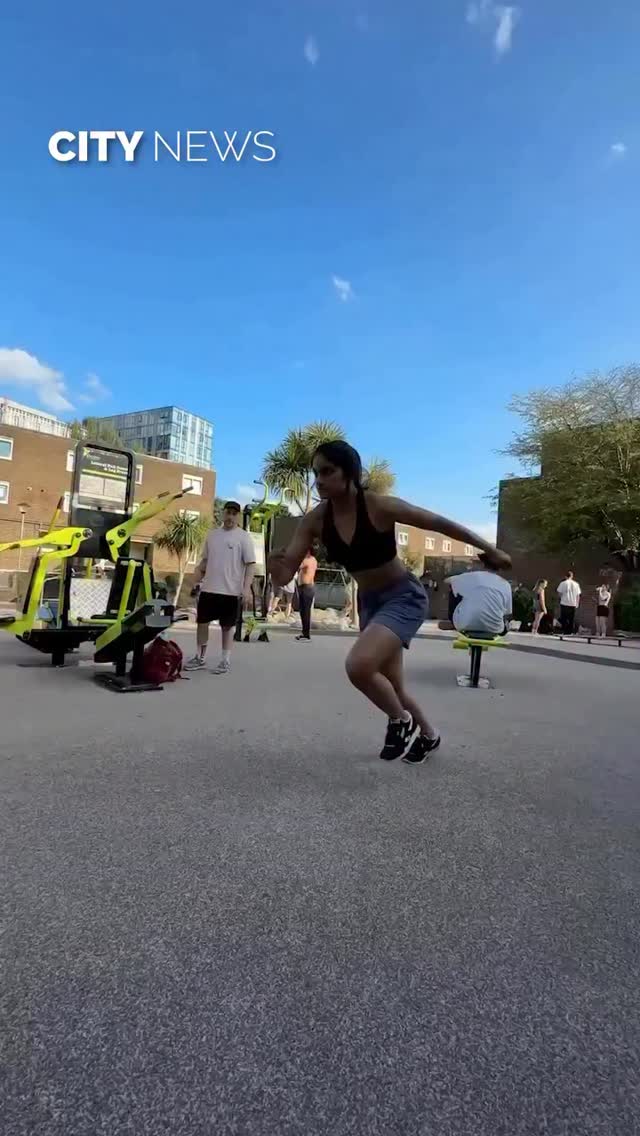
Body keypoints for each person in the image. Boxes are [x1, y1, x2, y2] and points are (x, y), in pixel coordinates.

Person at [268, 441, 511, 764]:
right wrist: (273, 564)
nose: (319, 480)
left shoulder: (379, 507)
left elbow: (440, 523)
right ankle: (429, 735)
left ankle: (401, 721)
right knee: (393, 686)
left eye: (327, 471)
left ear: (350, 472)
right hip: (371, 602)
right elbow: (284, 577)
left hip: (402, 596)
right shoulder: (314, 521)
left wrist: (489, 549)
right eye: (315, 473)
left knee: (358, 665)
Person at [185, 501, 256, 673]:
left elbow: (250, 565)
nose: (230, 516)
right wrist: (194, 579)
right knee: (202, 623)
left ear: (237, 516)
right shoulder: (212, 535)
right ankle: (200, 658)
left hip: (230, 591)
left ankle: (225, 660)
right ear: (223, 514)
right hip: (209, 588)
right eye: (228, 513)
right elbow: (205, 562)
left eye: (234, 513)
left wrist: (246, 589)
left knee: (227, 627)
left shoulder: (243, 537)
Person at [296, 546, 318, 641]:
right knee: (303, 611)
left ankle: (306, 634)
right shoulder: (313, 560)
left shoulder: (307, 560)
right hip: (305, 587)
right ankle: (304, 632)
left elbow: (298, 565)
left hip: (306, 588)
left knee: (305, 611)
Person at [557, 571, 581, 635]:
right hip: (572, 603)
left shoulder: (563, 583)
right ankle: (570, 631)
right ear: (572, 576)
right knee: (571, 618)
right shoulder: (576, 584)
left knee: (564, 617)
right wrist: (577, 603)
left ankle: (564, 630)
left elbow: (559, 593)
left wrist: (560, 599)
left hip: (564, 602)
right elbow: (578, 595)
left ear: (565, 576)